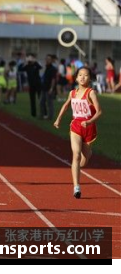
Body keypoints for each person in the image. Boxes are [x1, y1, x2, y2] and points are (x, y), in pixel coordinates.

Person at [53, 67, 102, 199]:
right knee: (76, 155)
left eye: (85, 75)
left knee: (84, 160)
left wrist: (90, 121)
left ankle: (78, 166)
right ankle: (76, 187)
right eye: (80, 75)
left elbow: (99, 111)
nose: (82, 77)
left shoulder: (91, 93)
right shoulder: (72, 93)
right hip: (75, 126)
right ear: (76, 78)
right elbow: (66, 105)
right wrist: (58, 119)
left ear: (89, 78)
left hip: (89, 128)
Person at [40, 55, 57, 120]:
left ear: (51, 60)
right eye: (46, 59)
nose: (47, 60)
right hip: (44, 88)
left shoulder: (53, 69)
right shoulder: (47, 68)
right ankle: (43, 115)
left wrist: (51, 88)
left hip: (49, 88)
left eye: (48, 59)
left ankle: (50, 116)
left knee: (49, 103)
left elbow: (53, 79)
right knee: (42, 102)